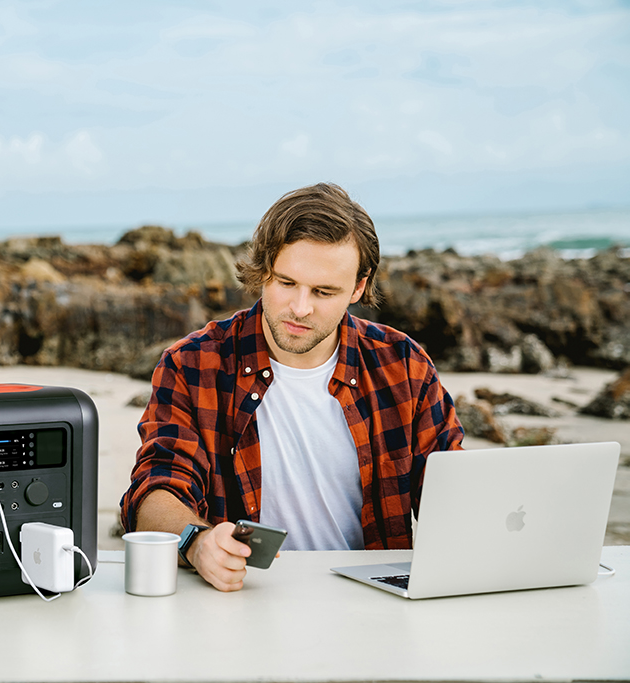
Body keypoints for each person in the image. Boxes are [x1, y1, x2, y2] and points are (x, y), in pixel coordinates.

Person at [119, 183, 464, 592]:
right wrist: (197, 541)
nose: (300, 308)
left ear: (358, 287)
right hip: (240, 601)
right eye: (286, 283)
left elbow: (454, 499)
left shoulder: (403, 367)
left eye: (323, 291)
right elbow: (155, 490)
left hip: (373, 605)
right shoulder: (194, 364)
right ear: (264, 269)